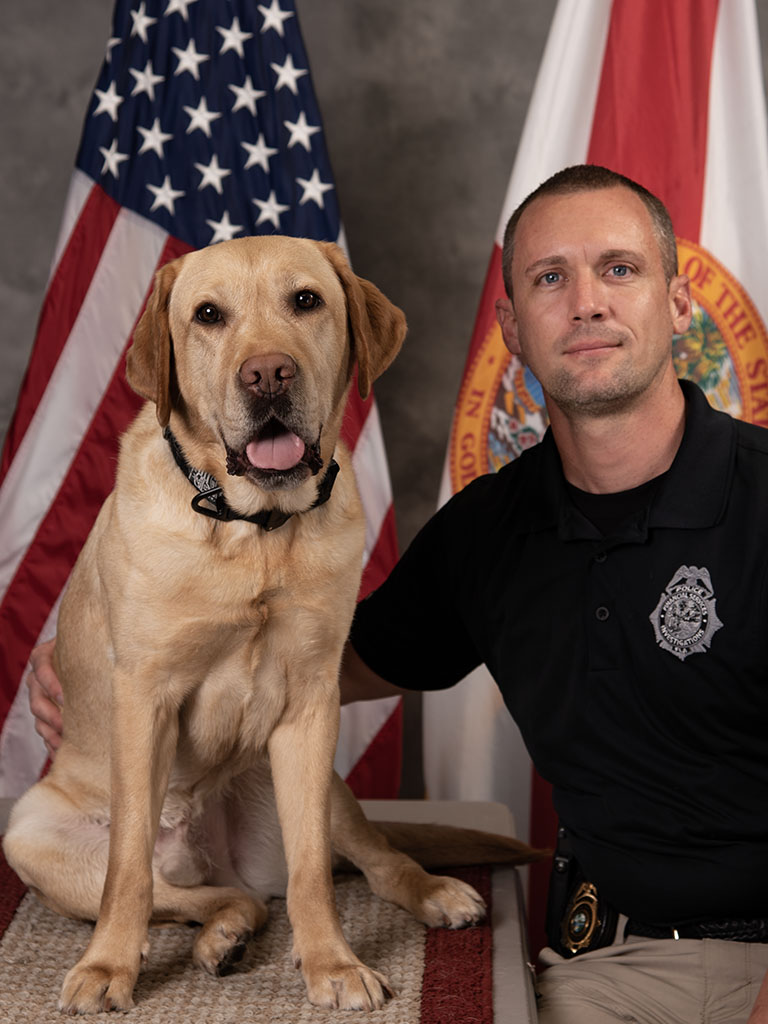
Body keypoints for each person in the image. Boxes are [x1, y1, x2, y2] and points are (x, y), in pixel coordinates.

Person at [26, 165, 768, 1024]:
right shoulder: (490, 530)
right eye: (550, 279)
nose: (588, 303)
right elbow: (314, 673)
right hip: (607, 963)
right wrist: (100, 658)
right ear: (512, 328)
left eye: (620, 269)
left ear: (681, 304)